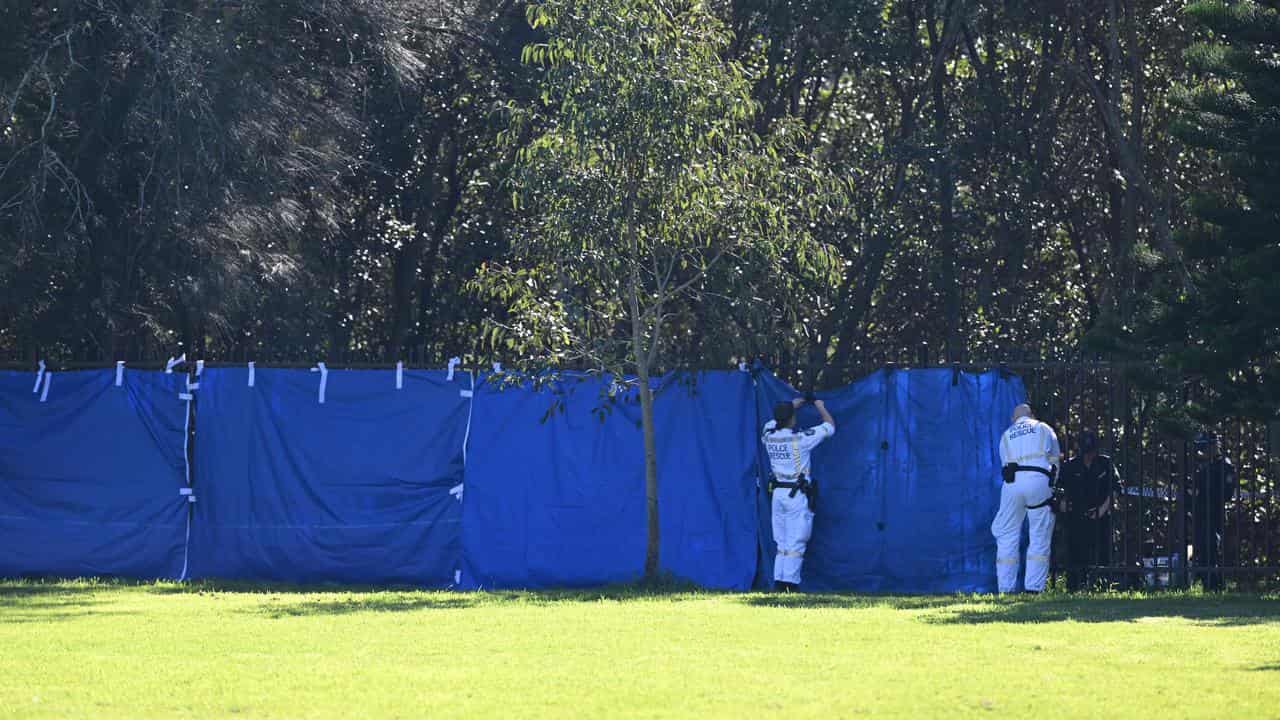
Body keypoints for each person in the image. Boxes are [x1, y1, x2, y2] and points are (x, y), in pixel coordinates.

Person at [762, 394, 835, 591]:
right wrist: (819, 405)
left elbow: (772, 423)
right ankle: (791, 584)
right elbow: (829, 426)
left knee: (781, 540)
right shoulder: (800, 439)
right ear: (792, 418)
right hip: (796, 495)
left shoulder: (768, 436)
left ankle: (779, 582)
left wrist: (792, 405)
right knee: (797, 539)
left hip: (778, 494)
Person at [992, 403, 1061, 594]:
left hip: (1012, 485)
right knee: (1039, 534)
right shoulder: (1044, 428)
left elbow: (1004, 463)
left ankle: (1005, 588)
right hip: (1039, 481)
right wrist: (1052, 487)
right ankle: (1033, 588)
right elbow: (1055, 460)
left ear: (1014, 419)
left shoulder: (1006, 434)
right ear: (1032, 414)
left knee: (1007, 535)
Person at [1057, 431, 1122, 591]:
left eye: (1091, 451)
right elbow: (1059, 489)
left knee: (1103, 555)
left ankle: (1103, 587)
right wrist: (1063, 503)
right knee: (1075, 556)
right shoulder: (1070, 466)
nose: (1088, 456)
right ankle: (1073, 589)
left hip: (1100, 516)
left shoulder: (1105, 463)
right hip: (1076, 517)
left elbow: (1115, 489)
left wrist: (1102, 509)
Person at [1190, 432, 1235, 592]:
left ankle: (1216, 585)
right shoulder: (1203, 465)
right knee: (1202, 549)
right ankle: (1207, 584)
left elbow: (1227, 494)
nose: (1202, 451)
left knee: (1212, 550)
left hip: (1214, 513)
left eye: (1205, 447)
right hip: (1200, 513)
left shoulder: (1225, 465)